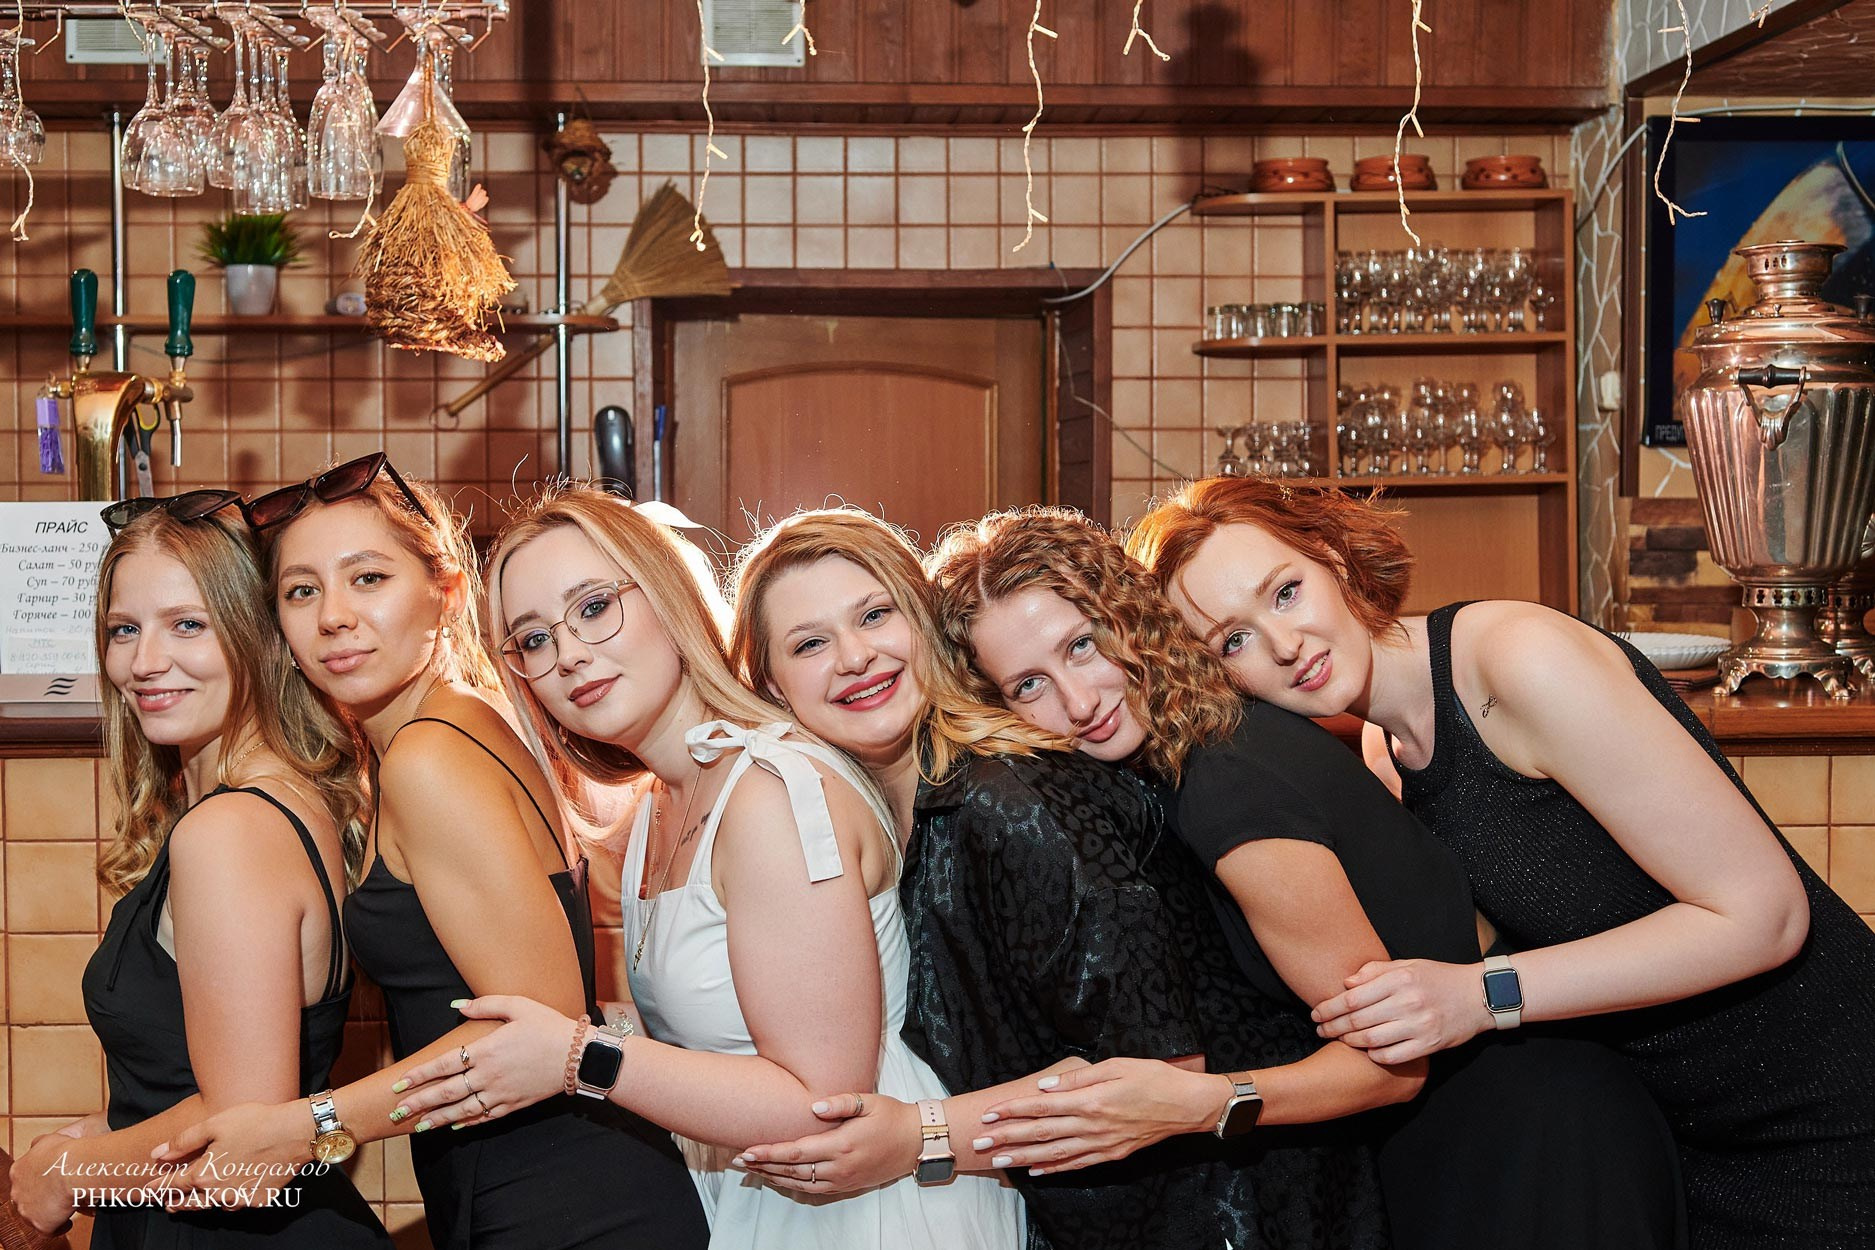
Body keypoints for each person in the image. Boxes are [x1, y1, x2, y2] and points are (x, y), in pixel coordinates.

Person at [1129, 475, 1875, 1249]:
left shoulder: (1517, 660)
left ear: (1332, 558)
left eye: (1285, 593)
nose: (1284, 645)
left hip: (1830, 1107)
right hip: (1686, 1130)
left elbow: (1764, 916)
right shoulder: (1385, 751)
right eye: (1234, 640)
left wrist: (1480, 996)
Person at [926, 506, 1685, 1250]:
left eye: (1082, 646)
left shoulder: (1223, 781)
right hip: (1497, 1115)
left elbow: (1387, 1068)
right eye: (1028, 685)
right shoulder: (1206, 732)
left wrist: (1196, 1104)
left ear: (1129, 614)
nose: (1079, 700)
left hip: (1519, 1137)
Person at [381, 485, 1024, 1250]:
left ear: (666, 593)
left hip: (869, 1214)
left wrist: (578, 1056)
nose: (569, 655)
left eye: (594, 608)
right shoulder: (662, 801)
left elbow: (823, 1102)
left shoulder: (769, 791)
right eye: (534, 639)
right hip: (765, 1198)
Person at [726, 509, 1388, 1250]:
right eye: (809, 643)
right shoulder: (905, 809)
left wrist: (923, 1137)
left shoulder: (1012, 803)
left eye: (874, 615)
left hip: (1229, 1212)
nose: (854, 657)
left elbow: (1148, 1083)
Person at [155, 458, 705, 1250]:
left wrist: (306, 1125)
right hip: (536, 1186)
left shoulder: (428, 758)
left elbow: (538, 1026)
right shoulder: (461, 721)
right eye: (301, 591)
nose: (333, 617)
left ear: (445, 592)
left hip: (564, 1204)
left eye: (368, 578)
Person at [9, 493, 387, 1248]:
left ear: (258, 637)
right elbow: (209, 1081)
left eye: (187, 625)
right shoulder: (282, 799)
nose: (145, 662)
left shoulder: (229, 831)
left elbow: (239, 1138)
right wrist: (110, 1133)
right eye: (124, 629)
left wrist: (69, 1175)